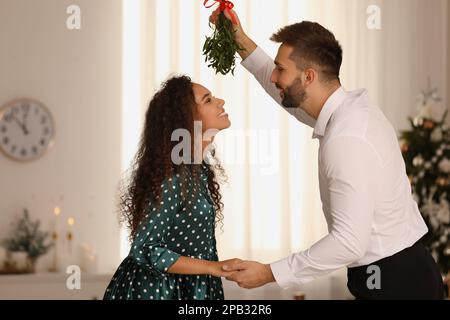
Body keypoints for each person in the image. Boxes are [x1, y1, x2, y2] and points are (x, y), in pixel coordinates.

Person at [209, 9, 445, 299]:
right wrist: (239, 40)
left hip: (394, 281)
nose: (274, 76)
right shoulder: (348, 110)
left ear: (309, 76)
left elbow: (348, 242)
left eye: (281, 69)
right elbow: (286, 98)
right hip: (394, 272)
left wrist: (269, 273)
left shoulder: (346, 137)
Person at [104, 75, 239, 300]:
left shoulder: (198, 171)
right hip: (157, 292)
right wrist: (215, 268)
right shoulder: (173, 177)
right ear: (187, 119)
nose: (221, 102)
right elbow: (145, 249)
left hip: (188, 288)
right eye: (208, 100)